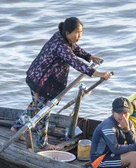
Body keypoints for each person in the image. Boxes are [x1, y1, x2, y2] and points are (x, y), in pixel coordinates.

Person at [12, 17, 113, 149]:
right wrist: (100, 74)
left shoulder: (62, 37)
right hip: (42, 83)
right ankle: (42, 144)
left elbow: (74, 48)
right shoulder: (61, 46)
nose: (79, 36)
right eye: (77, 32)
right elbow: (76, 63)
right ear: (67, 32)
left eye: (81, 32)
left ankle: (17, 128)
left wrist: (90, 57)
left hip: (38, 77)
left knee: (37, 107)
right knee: (43, 112)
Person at [89, 97, 136, 168]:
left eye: (125, 113)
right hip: (100, 160)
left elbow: (133, 144)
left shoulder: (129, 123)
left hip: (114, 155)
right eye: (119, 113)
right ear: (112, 112)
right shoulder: (108, 126)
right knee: (134, 157)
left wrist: (127, 131)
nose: (122, 116)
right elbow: (115, 149)